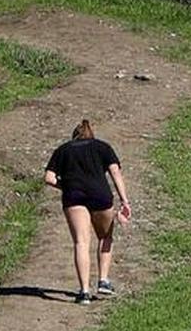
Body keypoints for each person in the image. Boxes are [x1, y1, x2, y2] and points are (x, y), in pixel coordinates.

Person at [44, 118, 131, 305]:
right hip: (100, 195)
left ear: (74, 136)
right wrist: (124, 201)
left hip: (73, 198)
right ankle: (103, 281)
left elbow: (49, 178)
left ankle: (84, 292)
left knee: (81, 242)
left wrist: (67, 187)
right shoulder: (103, 147)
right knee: (105, 237)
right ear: (91, 134)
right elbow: (115, 173)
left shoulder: (63, 150)